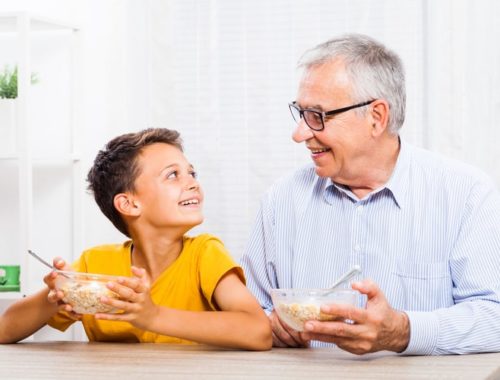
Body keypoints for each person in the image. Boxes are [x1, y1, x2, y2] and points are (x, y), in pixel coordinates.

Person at [240, 34, 500, 355]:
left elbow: (494, 316)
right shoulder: (282, 199)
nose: (300, 134)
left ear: (376, 117)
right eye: (301, 113)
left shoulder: (465, 194)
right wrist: (270, 324)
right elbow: (248, 310)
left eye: (318, 116)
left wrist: (404, 331)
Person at [0, 128, 272, 350]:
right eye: (173, 175)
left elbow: (258, 331)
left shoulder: (205, 253)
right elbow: (5, 331)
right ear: (129, 204)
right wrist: (53, 299)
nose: (192, 182)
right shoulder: (95, 265)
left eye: (192, 172)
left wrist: (153, 316)